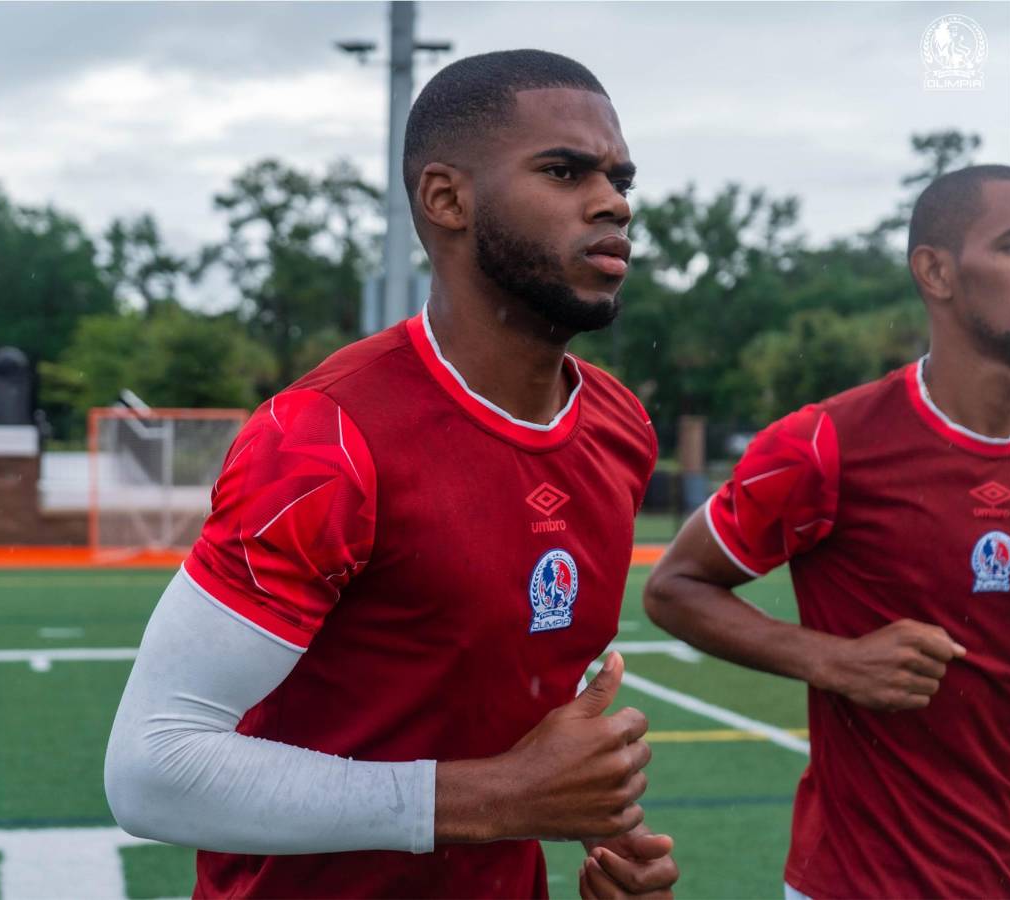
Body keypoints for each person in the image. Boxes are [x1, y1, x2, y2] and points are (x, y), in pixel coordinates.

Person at [105, 49, 679, 899]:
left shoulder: (620, 427)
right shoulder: (322, 440)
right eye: (565, 171)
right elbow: (152, 770)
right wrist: (502, 796)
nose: (612, 202)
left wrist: (595, 844)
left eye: (620, 176)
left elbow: (511, 730)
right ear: (446, 199)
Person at [644, 164, 1010, 899]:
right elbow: (675, 587)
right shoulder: (827, 444)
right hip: (874, 881)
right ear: (935, 272)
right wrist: (834, 661)